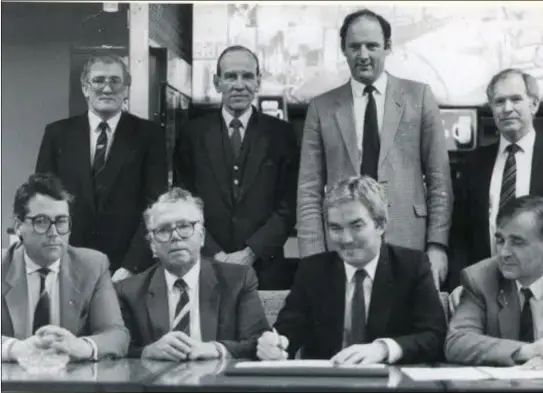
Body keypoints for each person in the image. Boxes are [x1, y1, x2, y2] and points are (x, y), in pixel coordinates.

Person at [296, 8, 453, 289]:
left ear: (388, 47)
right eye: (355, 46)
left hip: (408, 240)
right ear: (343, 50)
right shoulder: (321, 108)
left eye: (372, 46)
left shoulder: (419, 97)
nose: (363, 54)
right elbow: (308, 190)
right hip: (344, 244)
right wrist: (313, 257)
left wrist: (437, 245)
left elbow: (439, 180)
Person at [257, 176, 447, 365]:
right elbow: (287, 332)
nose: (346, 239)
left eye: (356, 226)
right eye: (336, 228)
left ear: (380, 224)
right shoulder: (313, 271)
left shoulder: (412, 266)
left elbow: (434, 337)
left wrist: (383, 349)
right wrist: (276, 345)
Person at [451, 68, 543, 290]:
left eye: (516, 99)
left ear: (534, 104)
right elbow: (459, 233)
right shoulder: (475, 163)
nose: (507, 108)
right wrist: (460, 284)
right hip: (485, 290)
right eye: (499, 102)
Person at [173, 45, 299, 290]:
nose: (239, 85)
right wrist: (215, 254)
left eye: (247, 76)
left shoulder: (281, 134)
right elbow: (183, 201)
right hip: (204, 265)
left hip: (265, 268)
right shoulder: (192, 133)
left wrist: (251, 253)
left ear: (258, 82)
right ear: (217, 82)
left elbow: (289, 203)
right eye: (231, 76)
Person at [35, 54, 168, 282]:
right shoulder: (57, 134)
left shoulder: (149, 136)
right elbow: (42, 201)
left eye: (115, 81)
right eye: (98, 81)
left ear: (126, 88)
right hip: (67, 264)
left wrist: (131, 266)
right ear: (85, 88)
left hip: (127, 270)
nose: (107, 89)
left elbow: (155, 205)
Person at [446, 196, 543, 370]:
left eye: (517, 242)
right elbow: (457, 342)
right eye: (500, 240)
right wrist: (527, 351)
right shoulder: (480, 278)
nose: (504, 253)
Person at [115, 187, 270, 361]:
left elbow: (258, 342)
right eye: (164, 230)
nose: (175, 236)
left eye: (184, 226)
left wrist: (216, 349)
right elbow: (116, 349)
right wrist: (147, 352)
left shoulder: (238, 280)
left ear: (202, 236)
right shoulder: (128, 291)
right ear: (152, 245)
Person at [1, 173, 129, 362]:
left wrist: (82, 346)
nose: (54, 233)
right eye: (41, 221)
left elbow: (117, 335)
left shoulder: (92, 266)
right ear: (19, 226)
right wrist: (13, 349)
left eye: (61, 221)